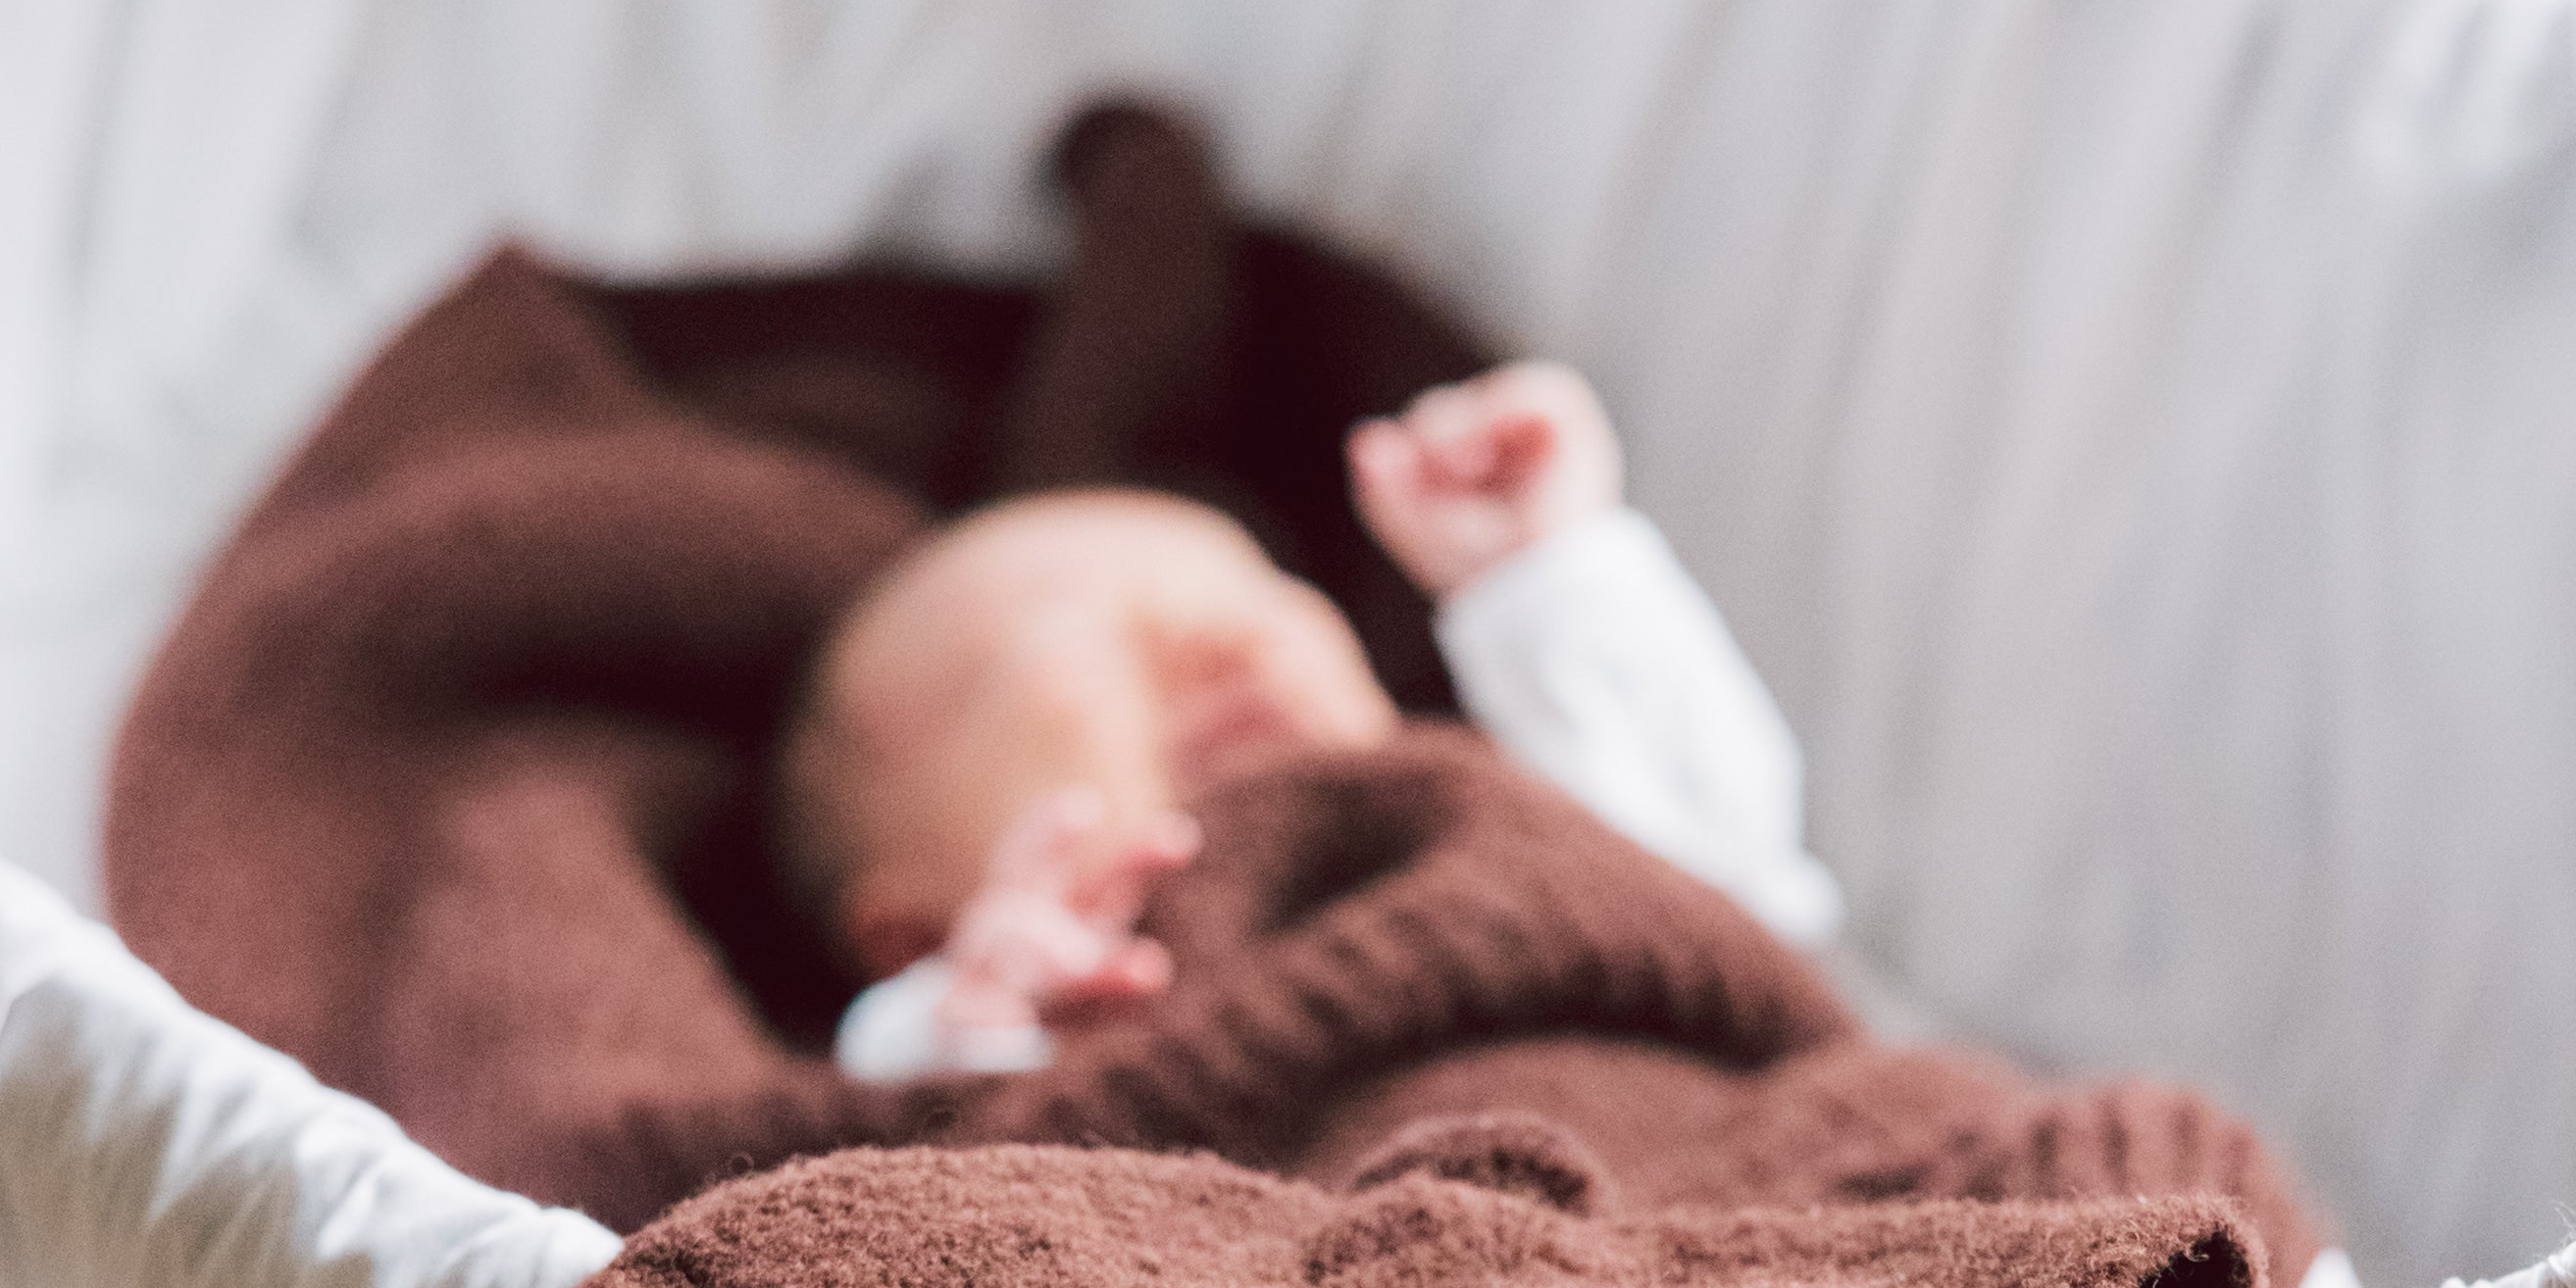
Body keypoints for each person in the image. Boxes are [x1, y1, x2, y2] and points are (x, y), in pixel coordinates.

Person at [789, 358, 1844, 1077]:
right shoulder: (999, 1015)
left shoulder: (1487, 810)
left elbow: (1742, 887)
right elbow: (894, 1134)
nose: (1227, 638)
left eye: (1259, 588)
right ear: (912, 934)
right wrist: (975, 1023)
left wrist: (1544, 581)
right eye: (1075, 648)